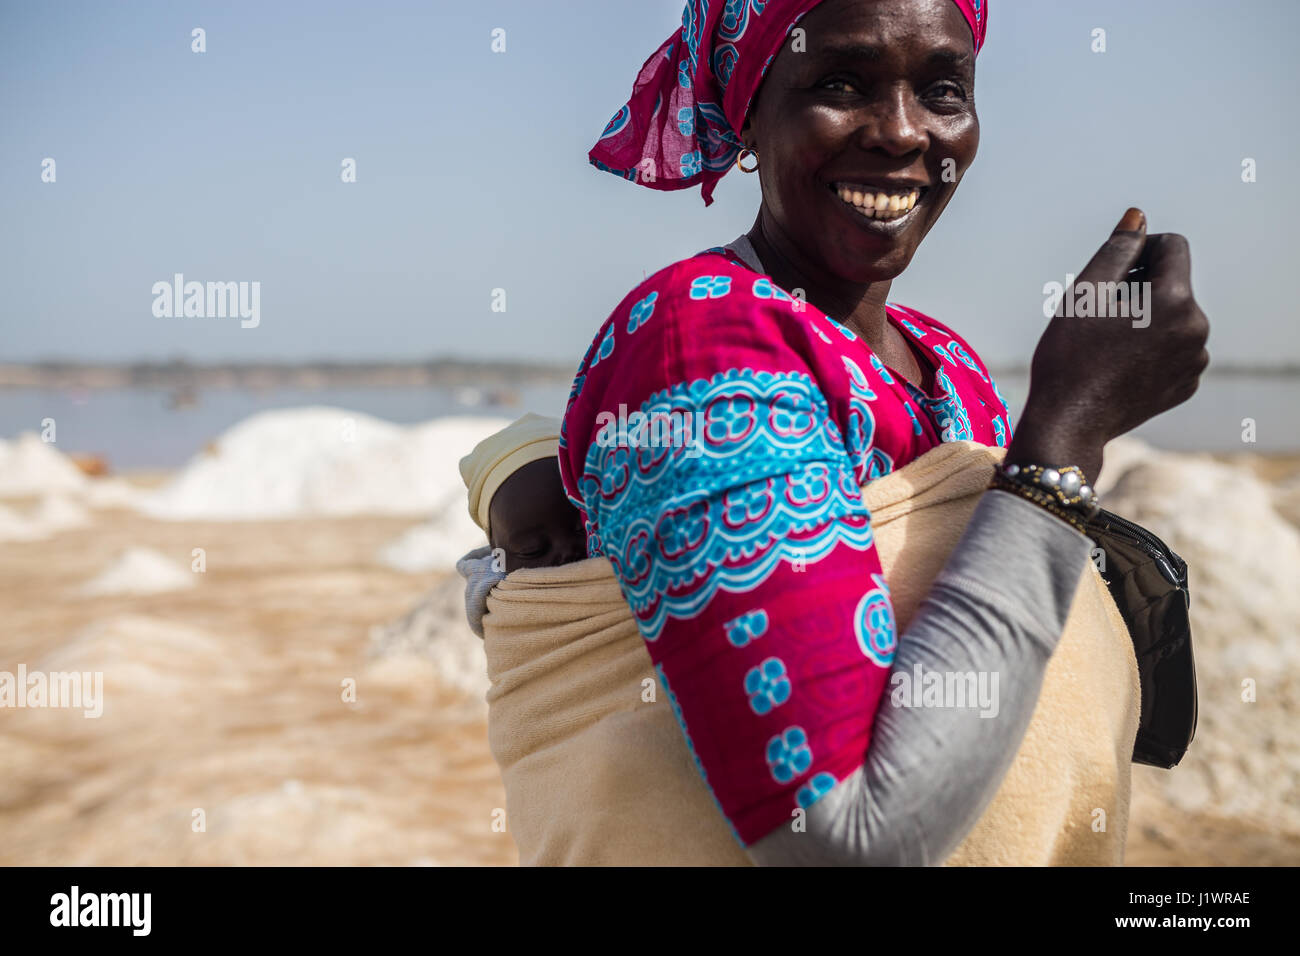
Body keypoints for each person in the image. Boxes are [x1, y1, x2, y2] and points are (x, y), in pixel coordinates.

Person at [561, 0, 1210, 865]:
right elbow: (840, 843)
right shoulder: (704, 340)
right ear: (747, 111)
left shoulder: (950, 367)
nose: (904, 133)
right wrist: (1065, 437)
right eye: (839, 83)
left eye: (944, 90)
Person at [456, 414, 586, 637]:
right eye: (531, 548)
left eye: (582, 529)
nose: (566, 553)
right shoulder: (500, 613)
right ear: (495, 553)